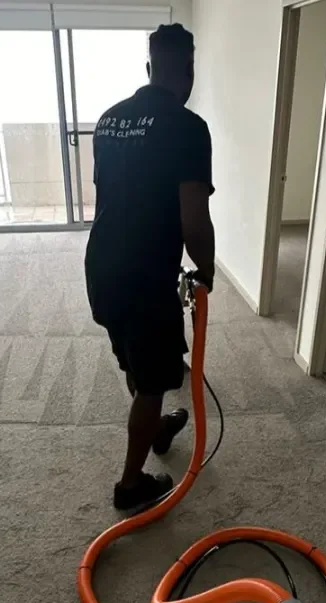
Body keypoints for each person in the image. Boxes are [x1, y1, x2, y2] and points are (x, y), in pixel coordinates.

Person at [84, 23, 216, 513]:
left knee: (137, 363)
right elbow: (193, 219)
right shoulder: (189, 128)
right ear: (189, 70)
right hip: (143, 279)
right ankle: (130, 484)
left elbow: (109, 196)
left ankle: (155, 427)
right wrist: (207, 268)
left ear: (148, 68)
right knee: (155, 379)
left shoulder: (108, 120)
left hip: (101, 268)